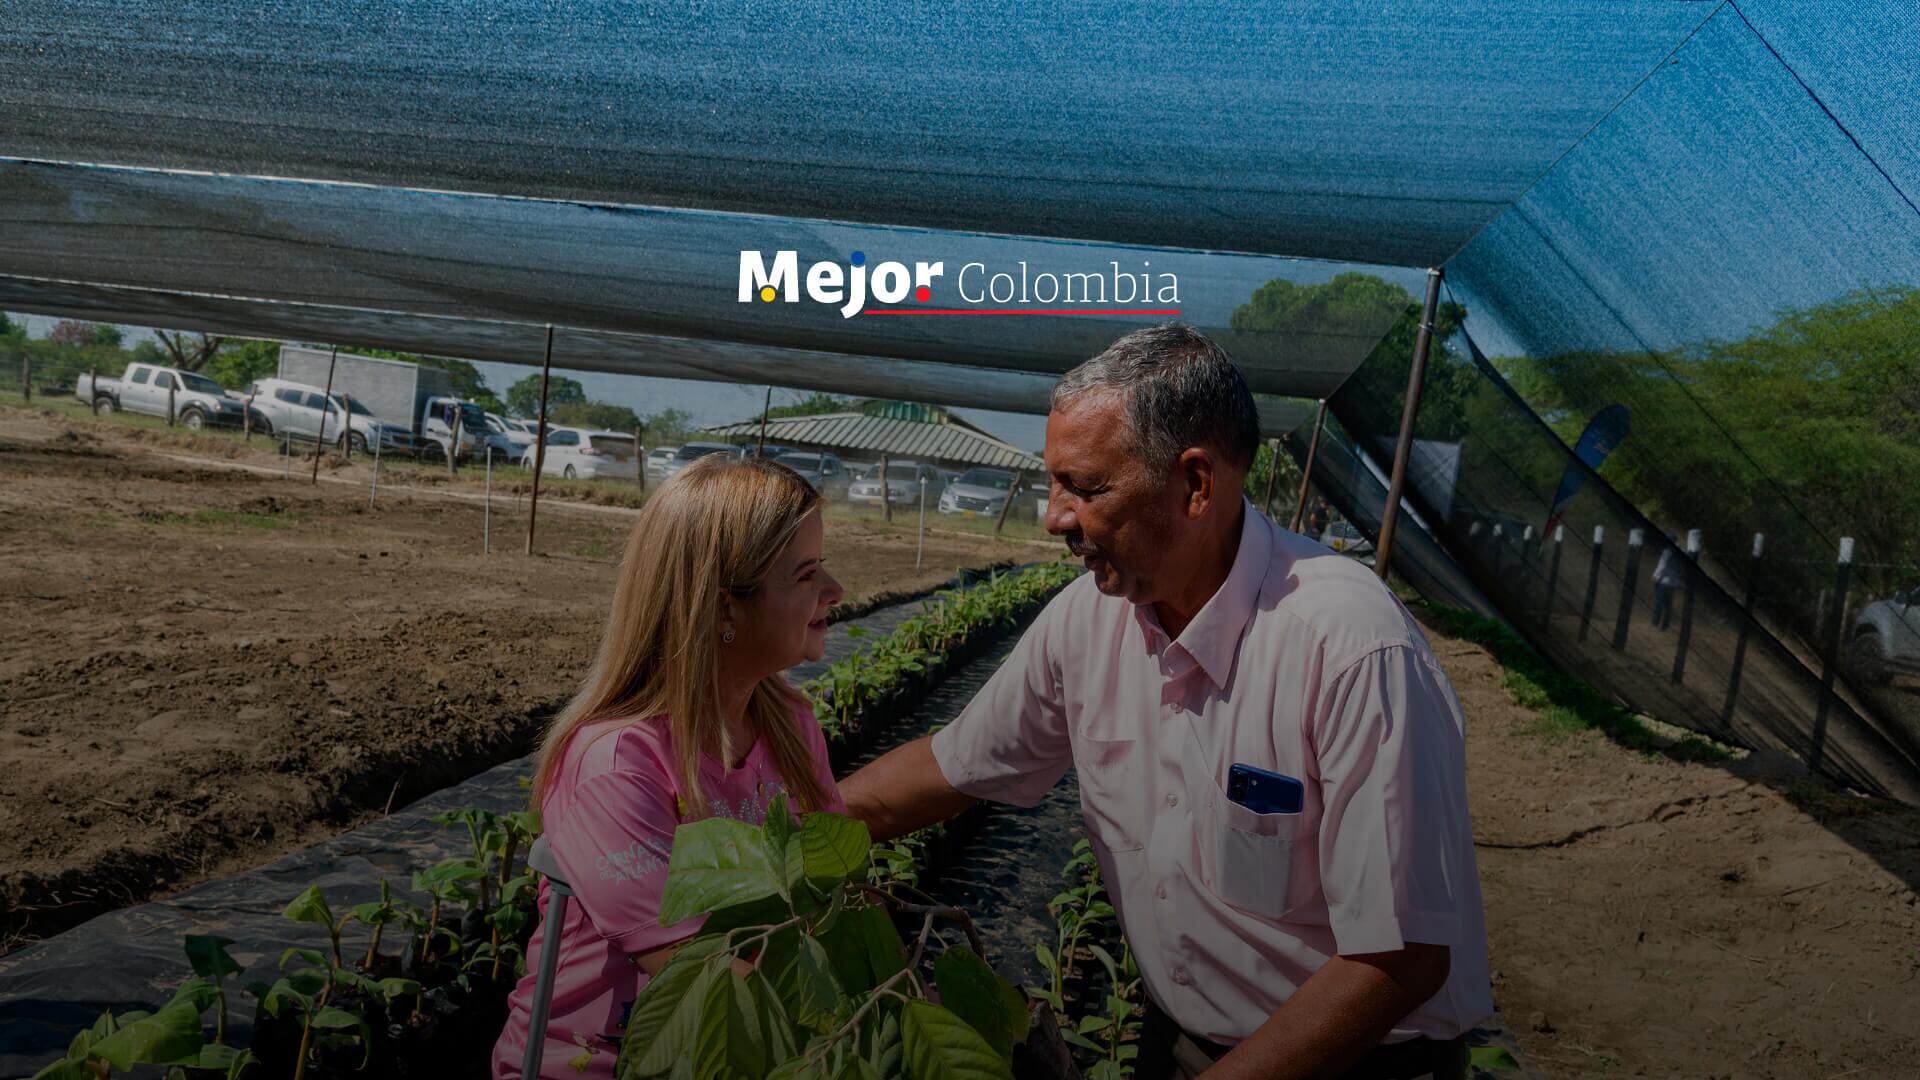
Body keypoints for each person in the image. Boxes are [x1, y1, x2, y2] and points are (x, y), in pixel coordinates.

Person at [841, 323, 1491, 1080]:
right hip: (1178, 1035)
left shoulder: (1350, 648)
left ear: (1195, 484)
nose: (1054, 517)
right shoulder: (1088, 620)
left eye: (1085, 487)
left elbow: (1400, 956)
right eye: (1055, 483)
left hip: (1352, 1057)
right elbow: (951, 766)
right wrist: (780, 845)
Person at [492, 455, 847, 1079]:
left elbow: (833, 895)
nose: (835, 591)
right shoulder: (614, 765)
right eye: (806, 574)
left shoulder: (790, 726)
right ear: (721, 609)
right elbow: (701, 975)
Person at [1651, 534, 1682, 630]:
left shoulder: (1667, 551)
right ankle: (1665, 626)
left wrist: (1655, 576)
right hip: (1673, 583)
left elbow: (1662, 565)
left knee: (1658, 603)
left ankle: (1654, 624)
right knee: (1668, 605)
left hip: (1663, 582)